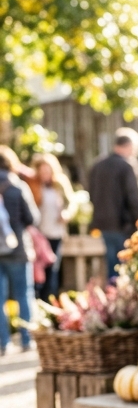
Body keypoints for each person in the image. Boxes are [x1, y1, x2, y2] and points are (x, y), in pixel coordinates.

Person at [89, 133, 138, 279]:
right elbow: (133, 197)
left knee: (111, 263)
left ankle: (112, 294)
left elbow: (92, 194)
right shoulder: (127, 166)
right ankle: (121, 296)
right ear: (129, 146)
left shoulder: (98, 165)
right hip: (123, 224)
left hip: (103, 223)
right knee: (124, 264)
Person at [0, 151, 37, 354]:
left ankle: (3, 343)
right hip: (17, 249)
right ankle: (26, 339)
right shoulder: (16, 186)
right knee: (23, 294)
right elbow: (32, 218)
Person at [28, 154, 76, 301]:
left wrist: (66, 214)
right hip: (39, 234)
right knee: (37, 269)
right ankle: (38, 300)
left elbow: (71, 203)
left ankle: (49, 300)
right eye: (42, 172)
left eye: (47, 172)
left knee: (52, 268)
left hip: (56, 232)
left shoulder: (59, 184)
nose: (45, 175)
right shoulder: (34, 184)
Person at [114, 127, 138, 204]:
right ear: (129, 146)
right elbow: (135, 195)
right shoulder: (130, 165)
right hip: (124, 215)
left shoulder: (98, 165)